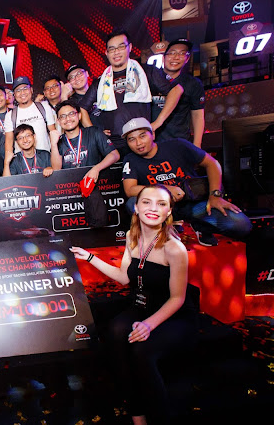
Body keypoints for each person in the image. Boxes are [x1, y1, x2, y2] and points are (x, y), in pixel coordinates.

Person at [70, 184, 199, 425]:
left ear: (169, 212)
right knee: (115, 333)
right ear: (136, 208)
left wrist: (149, 325)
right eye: (147, 202)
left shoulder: (174, 248)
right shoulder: (132, 236)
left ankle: (159, 418)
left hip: (174, 316)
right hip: (142, 307)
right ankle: (137, 415)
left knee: (141, 351)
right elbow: (124, 277)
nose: (153, 208)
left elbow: (178, 298)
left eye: (161, 204)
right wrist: (89, 257)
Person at [121, 117, 252, 246]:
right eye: (132, 139)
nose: (138, 143)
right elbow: (130, 190)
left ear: (153, 134)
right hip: (164, 210)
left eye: (142, 136)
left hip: (194, 204)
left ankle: (201, 226)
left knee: (241, 225)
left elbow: (212, 164)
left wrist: (215, 196)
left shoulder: (178, 145)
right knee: (133, 203)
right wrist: (164, 189)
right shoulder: (131, 159)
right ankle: (166, 230)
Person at [79, 29, 183, 155]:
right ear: (106, 53)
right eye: (112, 49)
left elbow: (176, 90)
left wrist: (157, 123)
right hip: (114, 147)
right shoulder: (101, 81)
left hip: (142, 143)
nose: (116, 52)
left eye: (121, 47)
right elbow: (82, 108)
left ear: (130, 47)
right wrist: (95, 133)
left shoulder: (145, 71)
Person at [151, 39, 205, 147]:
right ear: (163, 57)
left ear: (187, 58)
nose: (176, 57)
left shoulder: (193, 83)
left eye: (182, 53)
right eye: (172, 53)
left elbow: (198, 116)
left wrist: (197, 146)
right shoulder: (151, 78)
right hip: (152, 144)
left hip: (180, 143)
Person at [53, 101, 120, 182]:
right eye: (63, 116)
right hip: (70, 186)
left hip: (94, 183)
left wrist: (96, 168)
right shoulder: (58, 142)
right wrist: (53, 145)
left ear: (79, 115)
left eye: (71, 114)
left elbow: (115, 155)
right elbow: (56, 170)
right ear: (58, 121)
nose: (68, 119)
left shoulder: (93, 132)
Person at [3, 76, 57, 168]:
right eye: (18, 90)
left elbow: (53, 133)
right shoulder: (10, 115)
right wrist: (9, 164)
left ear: (31, 90)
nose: (22, 93)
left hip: (45, 160)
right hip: (23, 164)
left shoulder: (44, 107)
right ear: (14, 95)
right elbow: (9, 142)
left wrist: (54, 157)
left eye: (25, 88)